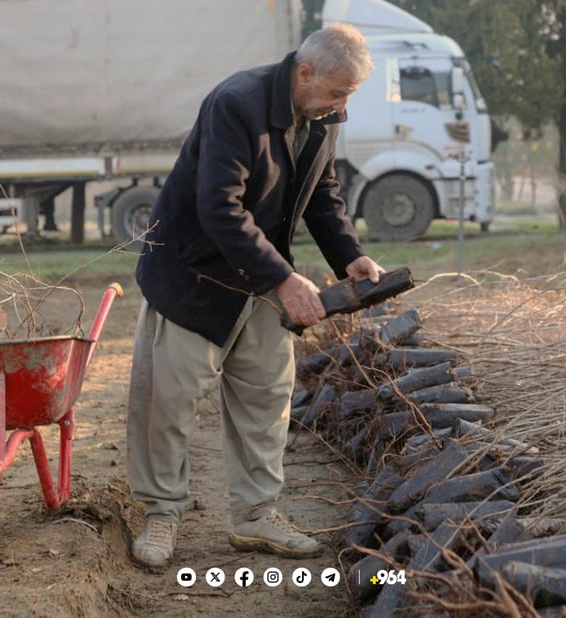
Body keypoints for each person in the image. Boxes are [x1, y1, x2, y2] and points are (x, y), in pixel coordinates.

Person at [125, 23, 384, 569]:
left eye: (348, 96)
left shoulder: (321, 114)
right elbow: (219, 207)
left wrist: (349, 256)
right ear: (304, 71)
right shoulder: (235, 104)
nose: (341, 106)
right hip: (194, 275)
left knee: (267, 397)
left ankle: (255, 517)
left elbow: (322, 195)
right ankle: (161, 514)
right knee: (168, 403)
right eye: (337, 92)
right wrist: (284, 279)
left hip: (262, 275)